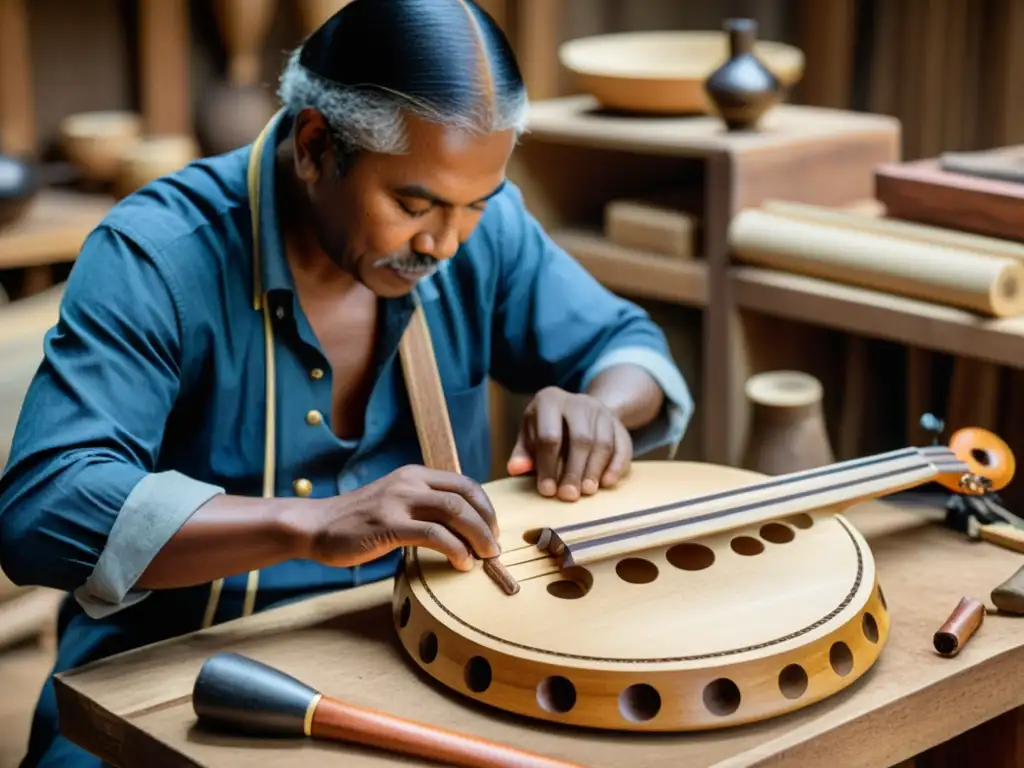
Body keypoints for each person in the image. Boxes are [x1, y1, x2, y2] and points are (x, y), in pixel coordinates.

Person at [0, 1, 693, 765]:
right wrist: (317, 524)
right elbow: (43, 509)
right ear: (315, 145)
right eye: (412, 204)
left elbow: (627, 347)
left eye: (474, 206)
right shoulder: (159, 255)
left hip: (412, 657)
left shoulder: (479, 233)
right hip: (165, 679)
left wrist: (600, 406)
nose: (442, 244)